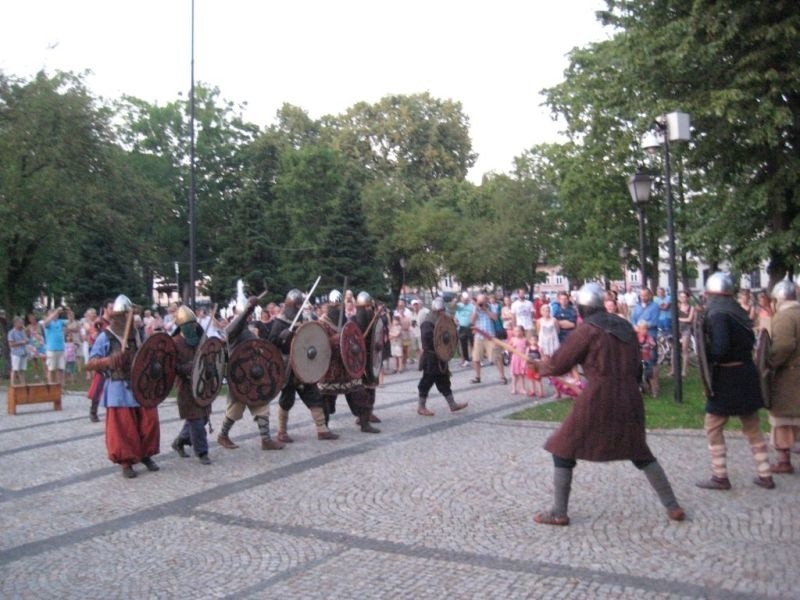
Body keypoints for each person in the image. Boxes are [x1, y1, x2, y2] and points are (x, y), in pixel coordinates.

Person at [530, 283, 685, 526]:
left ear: (582, 308)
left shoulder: (587, 330)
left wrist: (540, 367)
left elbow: (559, 364)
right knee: (640, 452)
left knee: (562, 448)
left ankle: (559, 512)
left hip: (598, 396)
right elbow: (636, 367)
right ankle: (673, 507)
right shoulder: (624, 325)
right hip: (630, 395)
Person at [695, 272, 774, 490]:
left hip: (727, 378)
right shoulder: (738, 312)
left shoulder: (718, 314)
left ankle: (720, 476)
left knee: (713, 426)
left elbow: (720, 349)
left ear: (712, 293)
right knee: (752, 426)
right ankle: (765, 473)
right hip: (746, 374)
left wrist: (706, 354)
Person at [86, 295, 160, 479]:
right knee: (123, 428)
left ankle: (146, 454)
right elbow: (90, 363)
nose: (128, 318)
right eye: (125, 315)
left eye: (129, 315)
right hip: (118, 387)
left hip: (139, 385)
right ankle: (126, 461)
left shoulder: (136, 334)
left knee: (148, 422)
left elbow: (145, 355)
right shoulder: (106, 336)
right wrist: (109, 360)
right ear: (117, 316)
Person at [268, 289, 340, 443]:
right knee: (286, 400)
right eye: (296, 305)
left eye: (299, 305)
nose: (298, 308)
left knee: (314, 396)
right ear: (289, 306)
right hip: (288, 368)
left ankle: (322, 429)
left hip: (303, 366)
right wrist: (281, 337)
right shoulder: (279, 323)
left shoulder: (303, 322)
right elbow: (271, 344)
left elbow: (310, 339)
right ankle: (281, 431)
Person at [216, 295, 285, 451]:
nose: (247, 319)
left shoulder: (249, 332)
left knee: (261, 405)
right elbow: (233, 327)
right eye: (245, 317)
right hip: (240, 377)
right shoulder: (232, 332)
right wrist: (248, 308)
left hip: (254, 375)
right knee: (235, 410)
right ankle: (223, 435)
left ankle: (266, 440)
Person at [318, 290, 381, 435]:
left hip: (347, 367)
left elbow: (353, 338)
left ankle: (364, 423)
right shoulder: (321, 324)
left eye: (339, 307)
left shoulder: (346, 321)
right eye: (335, 308)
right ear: (330, 307)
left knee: (360, 394)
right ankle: (324, 428)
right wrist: (332, 340)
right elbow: (319, 345)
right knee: (325, 399)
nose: (338, 310)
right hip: (331, 369)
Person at [170, 306, 213, 465]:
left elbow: (211, 355)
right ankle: (202, 452)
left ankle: (180, 441)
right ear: (182, 326)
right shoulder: (175, 343)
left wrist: (208, 366)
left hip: (202, 384)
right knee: (195, 418)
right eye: (189, 324)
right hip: (186, 386)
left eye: (194, 323)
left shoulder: (201, 338)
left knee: (201, 418)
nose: (193, 327)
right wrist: (188, 368)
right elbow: (172, 366)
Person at [766, 280, 800, 474]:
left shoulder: (785, 317)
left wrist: (771, 362)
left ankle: (783, 461)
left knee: (783, 419)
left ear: (779, 299)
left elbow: (784, 345)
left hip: (790, 376)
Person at [417, 297, 468, 416]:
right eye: (441, 311)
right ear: (437, 311)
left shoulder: (441, 320)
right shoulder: (428, 321)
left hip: (440, 357)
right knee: (427, 381)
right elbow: (427, 340)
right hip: (431, 357)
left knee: (444, 380)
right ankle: (421, 406)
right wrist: (438, 349)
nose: (442, 312)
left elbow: (447, 334)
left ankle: (452, 404)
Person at [469, 292, 507, 385]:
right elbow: (472, 321)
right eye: (479, 301)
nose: (481, 303)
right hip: (479, 336)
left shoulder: (491, 307)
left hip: (490, 336)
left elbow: (495, 318)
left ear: (486, 300)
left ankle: (502, 376)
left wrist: (485, 309)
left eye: (483, 300)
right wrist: (476, 310)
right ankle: (477, 377)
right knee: (476, 357)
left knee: (497, 356)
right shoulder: (475, 308)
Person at [630, 288, 661, 396]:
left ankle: (655, 385)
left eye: (645, 295)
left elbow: (655, 321)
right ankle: (640, 384)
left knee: (652, 359)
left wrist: (644, 326)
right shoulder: (637, 307)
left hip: (650, 335)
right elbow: (632, 319)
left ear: (650, 295)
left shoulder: (655, 306)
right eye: (642, 295)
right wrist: (635, 326)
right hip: (638, 335)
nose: (643, 297)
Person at [41, 306, 73, 386]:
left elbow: (71, 320)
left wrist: (69, 311)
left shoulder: (60, 322)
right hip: (51, 349)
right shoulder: (48, 323)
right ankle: (51, 386)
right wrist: (56, 311)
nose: (55, 315)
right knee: (51, 369)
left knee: (61, 368)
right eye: (53, 313)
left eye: (56, 314)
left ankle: (60, 386)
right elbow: (45, 323)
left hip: (61, 348)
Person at [674, 290, 695, 378]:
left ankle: (684, 371)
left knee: (684, 350)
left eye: (684, 297)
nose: (682, 298)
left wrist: (679, 319)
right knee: (674, 350)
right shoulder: (677, 306)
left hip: (686, 329)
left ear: (687, 298)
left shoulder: (691, 307)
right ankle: (673, 370)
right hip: (677, 329)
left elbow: (690, 319)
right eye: (681, 297)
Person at [635, 321, 657, 397]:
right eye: (642, 329)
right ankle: (639, 390)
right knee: (637, 375)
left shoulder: (648, 337)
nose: (645, 330)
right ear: (638, 329)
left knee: (650, 375)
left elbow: (653, 343)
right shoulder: (635, 337)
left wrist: (651, 344)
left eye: (646, 329)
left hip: (647, 358)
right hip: (638, 359)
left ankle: (654, 391)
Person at [7, 316, 29, 386]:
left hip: (23, 353)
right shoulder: (11, 332)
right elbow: (11, 344)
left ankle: (23, 385)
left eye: (22, 322)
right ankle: (12, 384)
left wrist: (26, 340)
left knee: (22, 370)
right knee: (15, 369)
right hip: (16, 353)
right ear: (15, 323)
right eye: (20, 322)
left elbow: (27, 340)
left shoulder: (23, 331)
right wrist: (21, 342)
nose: (22, 324)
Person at [453, 292, 473, 366]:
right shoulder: (459, 306)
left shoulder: (471, 306)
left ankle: (476, 359)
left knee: (473, 344)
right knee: (463, 344)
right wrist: (456, 299)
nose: (465, 300)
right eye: (463, 299)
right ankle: (466, 360)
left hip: (470, 327)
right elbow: (452, 306)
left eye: (466, 299)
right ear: (461, 299)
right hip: (462, 327)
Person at [508, 325, 529, 395]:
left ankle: (522, 388)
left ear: (523, 332)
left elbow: (528, 348)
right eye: (516, 331)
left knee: (521, 374)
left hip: (522, 359)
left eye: (519, 331)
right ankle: (514, 388)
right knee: (514, 375)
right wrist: (511, 348)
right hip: (515, 359)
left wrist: (526, 357)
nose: (517, 333)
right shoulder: (513, 339)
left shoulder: (525, 339)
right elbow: (508, 348)